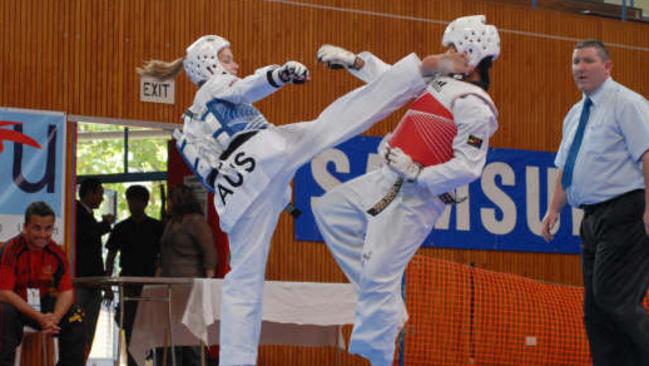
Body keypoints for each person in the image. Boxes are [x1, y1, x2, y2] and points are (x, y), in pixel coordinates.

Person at [137, 34, 467, 366]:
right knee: (334, 121)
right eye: (226, 58)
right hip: (263, 155)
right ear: (208, 64)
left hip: (239, 196)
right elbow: (243, 88)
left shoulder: (192, 118)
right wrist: (278, 75)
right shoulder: (214, 87)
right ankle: (414, 74)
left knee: (242, 286)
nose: (234, 64)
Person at [312, 15, 500, 366]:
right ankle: (388, 304)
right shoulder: (440, 82)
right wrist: (354, 61)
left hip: (416, 198)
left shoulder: (475, 105)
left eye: (451, 48)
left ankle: (380, 359)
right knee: (330, 209)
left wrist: (418, 173)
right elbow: (391, 80)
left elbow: (469, 167)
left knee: (379, 277)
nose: (444, 53)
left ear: (470, 53)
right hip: (386, 178)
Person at [541, 39, 649, 366]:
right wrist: (553, 208)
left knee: (615, 299)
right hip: (591, 219)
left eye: (588, 61)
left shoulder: (627, 103)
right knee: (595, 310)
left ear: (607, 66)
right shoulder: (575, 114)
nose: (580, 68)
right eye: (575, 62)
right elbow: (567, 167)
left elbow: (647, 155)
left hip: (627, 211)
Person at [0, 201, 85, 366]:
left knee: (76, 315)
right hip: (14, 306)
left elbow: (67, 292)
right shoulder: (11, 249)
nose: (43, 234)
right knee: (3, 313)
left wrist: (54, 318)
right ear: (25, 228)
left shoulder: (56, 253)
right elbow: (4, 292)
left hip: (41, 305)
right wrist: (39, 317)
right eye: (37, 228)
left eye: (48, 229)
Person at [155, 184, 217, 365]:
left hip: (190, 288)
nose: (168, 203)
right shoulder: (171, 223)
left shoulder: (196, 222)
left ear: (179, 201)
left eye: (170, 199)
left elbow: (210, 254)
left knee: (192, 339)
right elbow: (163, 256)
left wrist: (208, 285)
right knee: (172, 338)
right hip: (169, 288)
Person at [105, 185, 164, 366]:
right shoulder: (121, 228)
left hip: (151, 284)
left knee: (153, 328)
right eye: (131, 200)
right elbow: (111, 255)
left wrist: (156, 279)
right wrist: (107, 284)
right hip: (128, 283)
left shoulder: (157, 227)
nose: (134, 204)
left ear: (145, 203)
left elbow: (163, 257)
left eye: (138, 200)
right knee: (129, 327)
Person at [74, 177, 114, 357]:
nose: (102, 199)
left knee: (87, 332)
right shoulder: (76, 212)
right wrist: (105, 224)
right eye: (100, 194)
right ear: (90, 193)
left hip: (93, 283)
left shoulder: (87, 215)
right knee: (77, 331)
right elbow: (87, 234)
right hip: (82, 283)